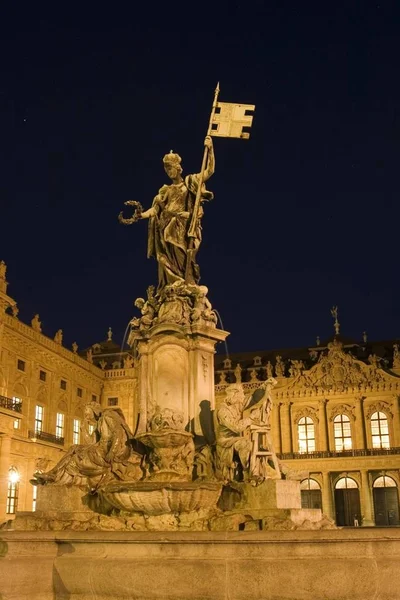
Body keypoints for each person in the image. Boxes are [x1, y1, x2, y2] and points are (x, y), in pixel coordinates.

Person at [138, 136, 215, 290]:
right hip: (166, 226)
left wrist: (211, 149)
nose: (169, 172)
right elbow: (156, 210)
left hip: (182, 229)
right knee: (162, 258)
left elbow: (209, 171)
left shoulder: (190, 182)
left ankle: (184, 284)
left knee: (182, 256)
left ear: (178, 167)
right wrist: (141, 215)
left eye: (171, 168)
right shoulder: (165, 190)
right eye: (166, 169)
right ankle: (174, 284)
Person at [31, 402, 143, 490]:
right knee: (74, 448)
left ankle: (53, 477)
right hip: (101, 450)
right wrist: (83, 430)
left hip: (111, 452)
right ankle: (52, 477)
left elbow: (117, 433)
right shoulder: (100, 421)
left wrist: (112, 452)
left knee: (75, 458)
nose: (87, 418)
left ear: (94, 411)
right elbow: (91, 442)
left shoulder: (107, 416)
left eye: (88, 414)